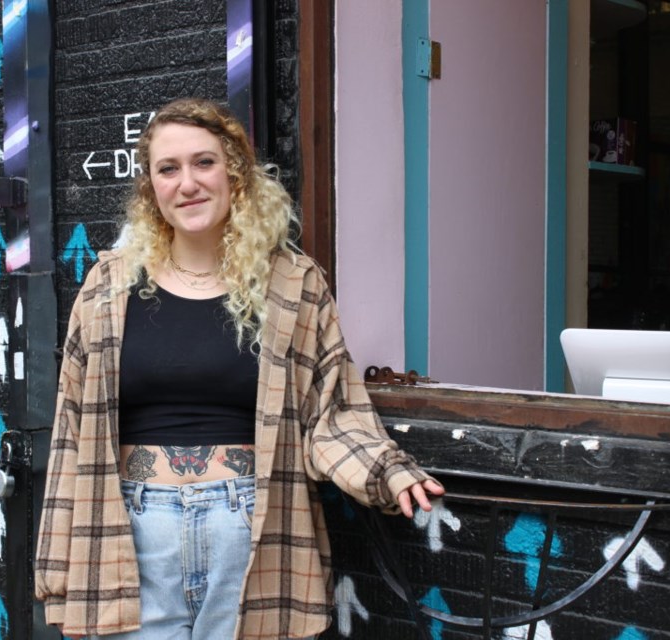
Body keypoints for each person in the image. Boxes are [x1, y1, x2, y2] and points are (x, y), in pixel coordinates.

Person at [34, 97, 444, 640]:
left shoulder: (295, 284)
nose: (188, 183)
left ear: (235, 171)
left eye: (204, 162)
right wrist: (65, 568)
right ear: (150, 188)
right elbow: (71, 430)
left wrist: (386, 470)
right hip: (127, 532)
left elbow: (332, 409)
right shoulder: (108, 286)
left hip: (250, 526)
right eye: (168, 169)